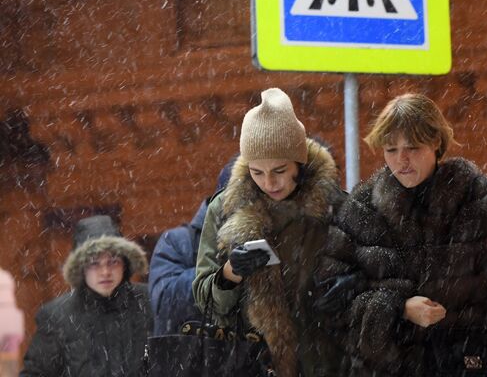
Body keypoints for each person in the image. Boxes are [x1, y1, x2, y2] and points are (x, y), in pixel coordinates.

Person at [316, 93, 487, 376]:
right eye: (391, 149)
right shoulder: (361, 210)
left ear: (436, 142)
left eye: (412, 147)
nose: (402, 160)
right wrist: (396, 308)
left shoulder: (481, 204)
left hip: (467, 364)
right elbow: (332, 299)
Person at [193, 88, 344, 377]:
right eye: (257, 172)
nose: (269, 182)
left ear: (299, 163)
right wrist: (230, 273)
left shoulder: (334, 206)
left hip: (327, 360)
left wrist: (350, 286)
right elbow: (205, 300)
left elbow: (366, 274)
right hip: (254, 362)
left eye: (279, 170)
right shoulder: (224, 210)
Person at [21, 215, 153, 377]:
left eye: (113, 261)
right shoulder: (57, 317)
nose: (105, 272)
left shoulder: (149, 302)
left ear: (125, 264)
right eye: (94, 263)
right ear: (81, 268)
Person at [148, 156, 236, 335]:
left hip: (247, 358)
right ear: (220, 202)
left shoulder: (268, 237)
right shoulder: (176, 242)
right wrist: (220, 272)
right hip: (192, 356)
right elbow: (164, 301)